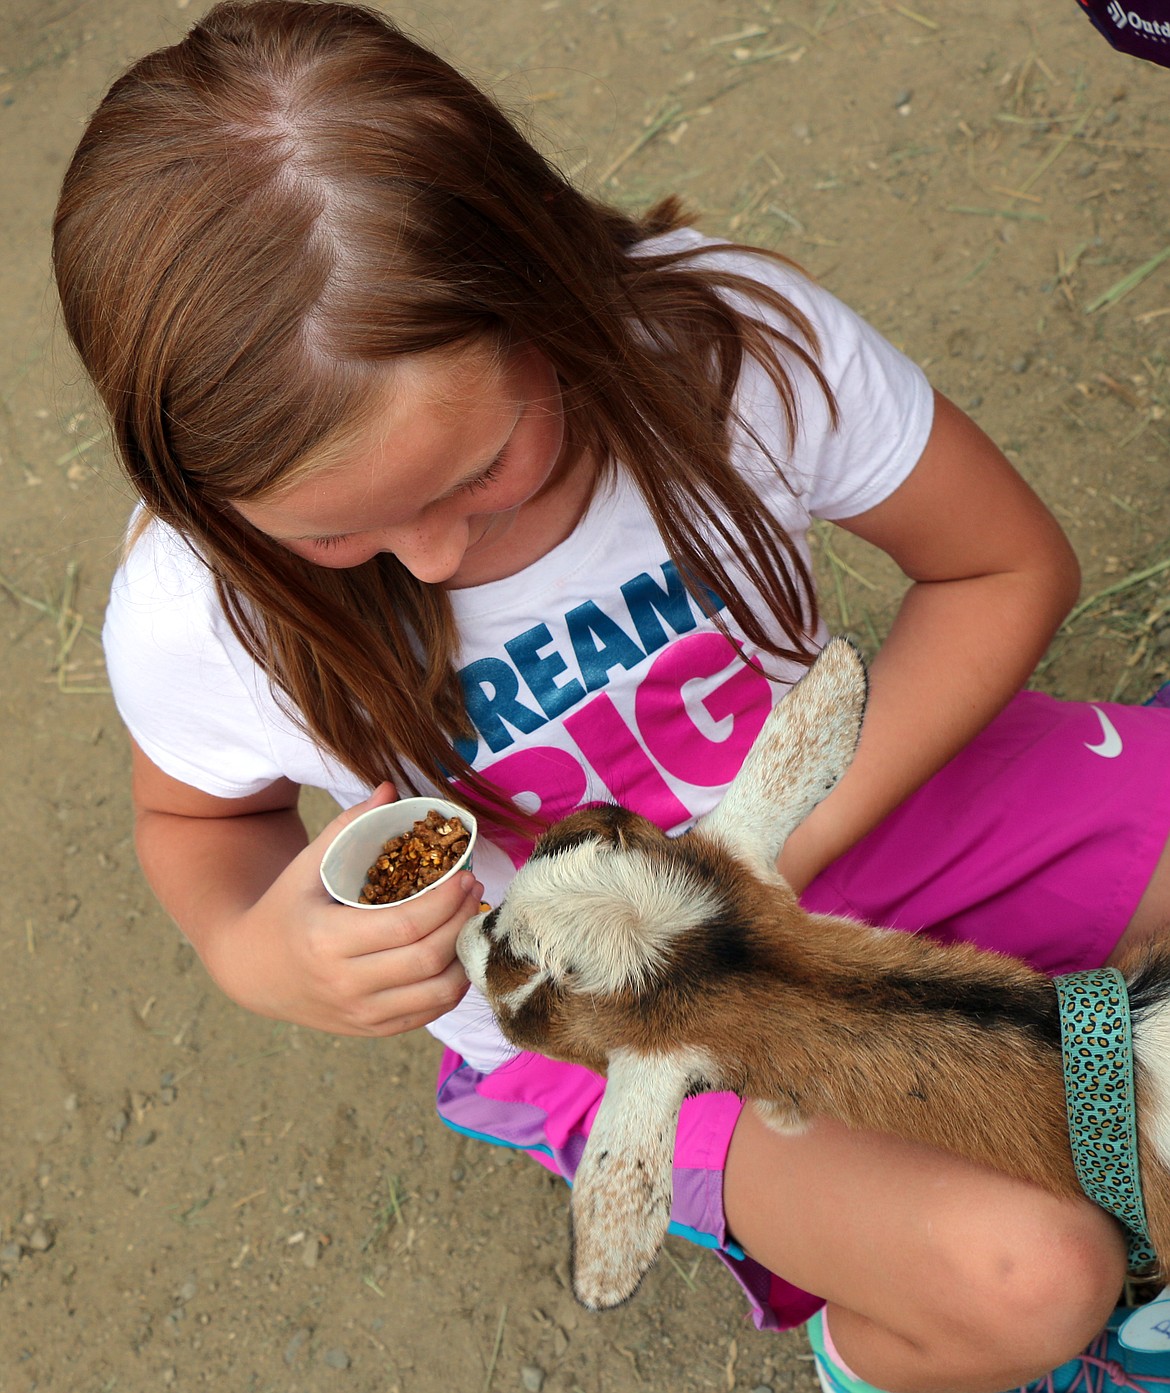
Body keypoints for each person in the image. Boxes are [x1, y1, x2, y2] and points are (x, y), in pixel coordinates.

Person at [51, 4, 1170, 1391]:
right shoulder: (194, 611)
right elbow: (196, 823)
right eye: (333, 533)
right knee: (1033, 1277)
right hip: (604, 1017)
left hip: (855, 806)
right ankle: (884, 1349)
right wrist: (259, 953)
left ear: (553, 292)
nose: (436, 560)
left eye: (480, 476)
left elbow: (1001, 566)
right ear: (204, 498)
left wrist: (755, 857)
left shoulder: (723, 348)